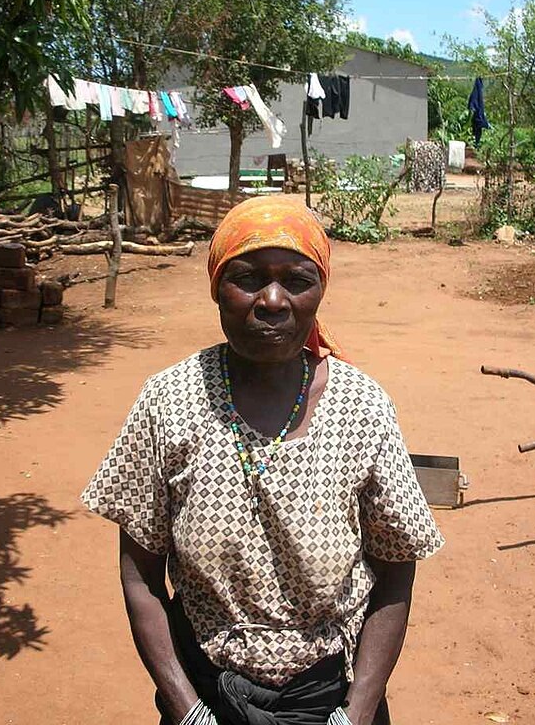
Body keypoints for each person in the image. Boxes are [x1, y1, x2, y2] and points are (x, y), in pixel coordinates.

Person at [81, 197, 444, 725]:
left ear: (319, 290)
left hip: (331, 694)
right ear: (216, 288)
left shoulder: (362, 407)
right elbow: (140, 575)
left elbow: (395, 572)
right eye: (247, 278)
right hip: (207, 690)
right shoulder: (169, 402)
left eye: (296, 280)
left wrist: (358, 710)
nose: (272, 300)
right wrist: (187, 709)